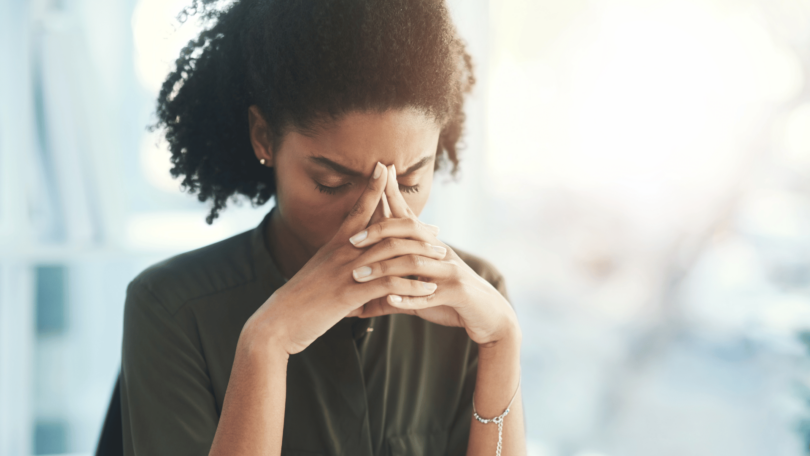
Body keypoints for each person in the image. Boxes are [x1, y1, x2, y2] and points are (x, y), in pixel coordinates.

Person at [117, 0, 526, 455]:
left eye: (409, 182)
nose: (378, 217)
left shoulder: (476, 301)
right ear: (263, 137)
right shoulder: (174, 310)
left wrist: (503, 342)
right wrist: (265, 344)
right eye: (332, 183)